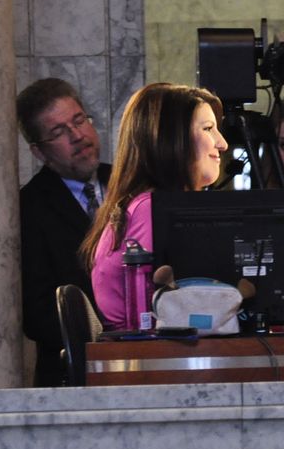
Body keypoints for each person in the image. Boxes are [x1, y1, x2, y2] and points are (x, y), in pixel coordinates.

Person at [80, 83, 228, 330]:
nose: (222, 143)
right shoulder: (150, 210)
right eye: (208, 129)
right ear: (172, 140)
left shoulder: (142, 205)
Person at [17, 77, 111, 387]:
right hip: (72, 377)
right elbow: (36, 313)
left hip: (142, 365)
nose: (78, 136)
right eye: (59, 132)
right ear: (39, 152)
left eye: (79, 120)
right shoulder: (28, 208)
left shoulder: (130, 182)